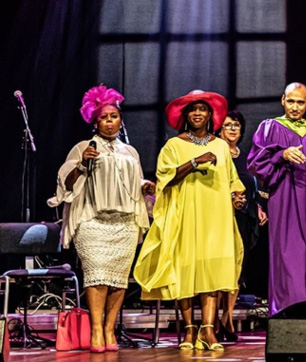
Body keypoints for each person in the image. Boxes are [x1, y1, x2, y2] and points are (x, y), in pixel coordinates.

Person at [134, 90, 245, 352]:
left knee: (212, 271)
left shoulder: (219, 145)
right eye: (193, 109)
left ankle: (207, 330)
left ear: (210, 115)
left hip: (215, 216)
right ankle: (188, 329)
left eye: (202, 109)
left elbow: (232, 181)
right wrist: (195, 161)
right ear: (185, 115)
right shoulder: (174, 146)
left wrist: (237, 198)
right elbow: (165, 179)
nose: (198, 113)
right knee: (185, 271)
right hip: (185, 215)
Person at [50, 85, 151, 352]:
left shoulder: (130, 152)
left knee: (118, 279)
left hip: (124, 224)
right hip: (93, 223)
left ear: (120, 119)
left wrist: (145, 187)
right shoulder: (84, 147)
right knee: (97, 277)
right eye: (104, 117)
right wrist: (82, 164)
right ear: (95, 120)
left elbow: (134, 183)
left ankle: (109, 330)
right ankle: (96, 329)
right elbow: (67, 184)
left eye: (114, 116)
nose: (109, 121)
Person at [248, 83, 306, 319]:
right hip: (284, 198)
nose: (295, 107)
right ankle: (287, 306)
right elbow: (256, 163)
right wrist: (282, 155)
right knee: (287, 251)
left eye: (300, 102)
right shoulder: (270, 127)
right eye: (291, 101)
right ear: (283, 100)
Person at [215, 110, 268, 341]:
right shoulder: (215, 153)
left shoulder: (245, 156)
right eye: (228, 125)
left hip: (245, 217)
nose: (233, 129)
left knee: (237, 270)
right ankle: (214, 320)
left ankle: (227, 318)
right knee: (220, 270)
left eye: (236, 125)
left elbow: (252, 186)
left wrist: (257, 207)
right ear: (219, 129)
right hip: (221, 216)